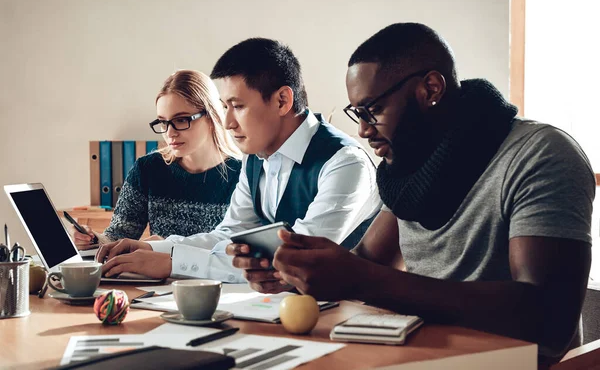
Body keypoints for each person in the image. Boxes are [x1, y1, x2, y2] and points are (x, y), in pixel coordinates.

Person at [230, 23, 595, 362]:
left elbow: (547, 316)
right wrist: (294, 273)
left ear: (430, 89)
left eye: (372, 110)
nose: (362, 130)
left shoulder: (540, 154)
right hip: (422, 357)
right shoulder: (410, 164)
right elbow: (370, 260)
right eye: (357, 113)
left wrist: (360, 278)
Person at [96, 38, 381, 285]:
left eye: (238, 106)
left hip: (344, 316)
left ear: (282, 101)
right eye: (225, 107)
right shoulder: (255, 159)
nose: (228, 122)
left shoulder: (345, 164)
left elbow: (297, 261)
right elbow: (230, 234)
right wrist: (154, 249)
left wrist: (174, 263)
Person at [72, 70, 242, 251]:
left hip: (213, 279)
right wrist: (93, 240)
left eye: (181, 120)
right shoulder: (148, 169)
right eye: (163, 122)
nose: (170, 133)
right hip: (158, 279)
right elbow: (118, 236)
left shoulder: (243, 175)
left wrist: (163, 247)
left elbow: (232, 248)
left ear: (211, 116)